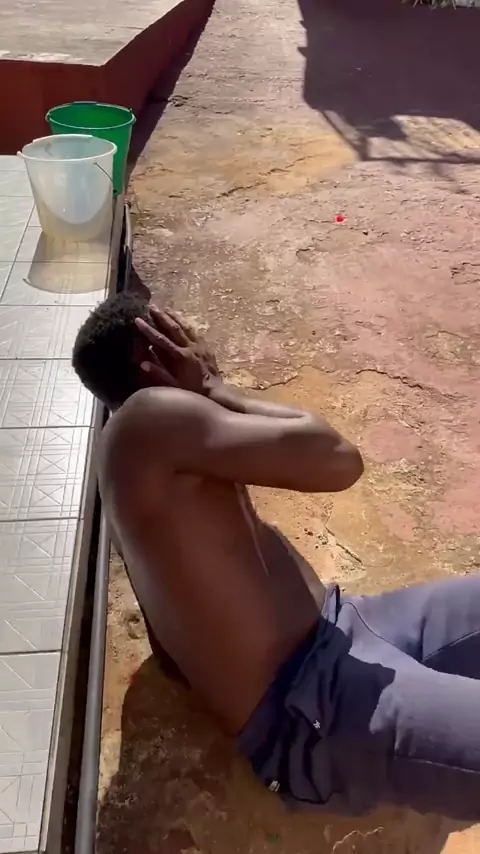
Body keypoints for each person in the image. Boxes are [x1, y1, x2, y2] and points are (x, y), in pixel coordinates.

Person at [72, 291, 480, 821]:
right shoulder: (150, 417)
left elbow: (170, 641)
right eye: (184, 333)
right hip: (314, 705)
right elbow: (337, 460)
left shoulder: (138, 457)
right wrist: (213, 386)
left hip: (347, 628)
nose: (199, 343)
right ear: (155, 352)